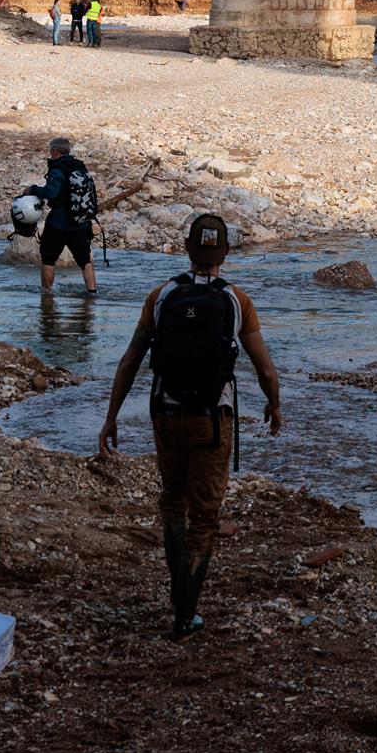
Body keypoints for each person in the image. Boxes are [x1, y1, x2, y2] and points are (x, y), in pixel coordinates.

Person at [99, 213, 281, 640]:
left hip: (165, 414)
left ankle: (177, 601)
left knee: (172, 502)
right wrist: (274, 406)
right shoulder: (237, 299)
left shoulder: (161, 296)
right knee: (204, 517)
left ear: (186, 248)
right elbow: (266, 370)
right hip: (211, 421)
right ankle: (185, 615)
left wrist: (111, 418)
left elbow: (130, 360)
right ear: (225, 254)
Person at [24, 136, 97, 293]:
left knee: (48, 259)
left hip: (58, 223)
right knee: (85, 260)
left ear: (55, 152)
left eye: (51, 152)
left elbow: (51, 192)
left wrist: (33, 189)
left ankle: (47, 295)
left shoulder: (58, 169)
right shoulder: (80, 167)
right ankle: (92, 294)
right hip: (80, 222)